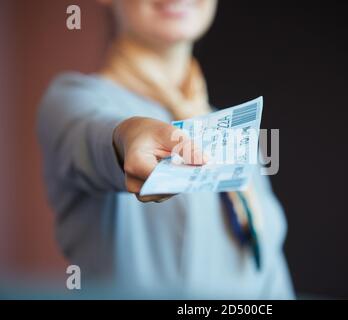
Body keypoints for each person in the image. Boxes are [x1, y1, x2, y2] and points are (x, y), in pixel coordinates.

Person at [37, 0, 293, 299]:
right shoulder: (72, 101)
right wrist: (125, 137)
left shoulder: (233, 132)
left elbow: (270, 278)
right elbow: (92, 137)